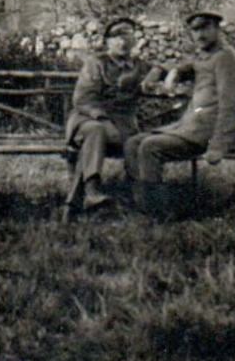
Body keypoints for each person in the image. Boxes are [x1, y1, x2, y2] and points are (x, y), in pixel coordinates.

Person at [124, 10, 235, 215]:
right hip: (191, 127)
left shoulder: (226, 58)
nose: (200, 35)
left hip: (209, 132)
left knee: (149, 147)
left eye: (205, 28)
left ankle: (156, 215)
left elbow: (232, 105)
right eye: (195, 30)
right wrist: (166, 71)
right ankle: (138, 205)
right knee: (132, 143)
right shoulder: (205, 55)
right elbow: (185, 64)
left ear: (217, 29)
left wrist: (218, 146)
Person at [64, 18, 162, 215]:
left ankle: (135, 199)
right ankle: (92, 190)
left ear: (134, 41)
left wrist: (156, 73)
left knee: (139, 142)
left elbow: (168, 65)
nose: (122, 43)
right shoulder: (97, 63)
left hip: (124, 125)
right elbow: (83, 100)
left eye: (127, 37)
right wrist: (103, 120)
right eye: (116, 38)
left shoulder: (138, 65)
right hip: (87, 119)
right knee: (96, 131)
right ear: (107, 42)